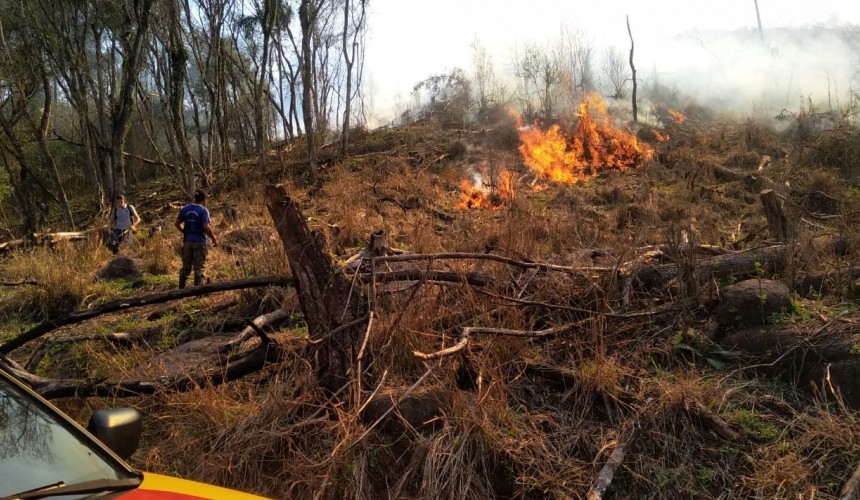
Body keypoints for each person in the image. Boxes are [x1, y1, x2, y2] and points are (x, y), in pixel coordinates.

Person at [175, 189, 218, 288]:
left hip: (187, 242)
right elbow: (206, 226)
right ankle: (198, 291)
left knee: (186, 268)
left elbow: (177, 223)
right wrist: (214, 238)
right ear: (204, 199)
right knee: (199, 269)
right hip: (200, 242)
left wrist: (184, 232)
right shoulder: (203, 210)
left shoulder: (185, 208)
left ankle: (181, 291)